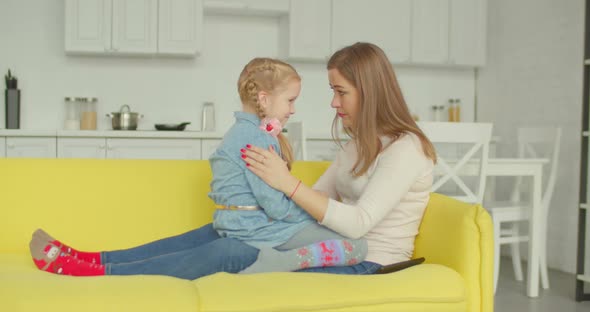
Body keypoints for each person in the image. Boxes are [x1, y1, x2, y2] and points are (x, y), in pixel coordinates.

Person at [28, 57, 367, 279]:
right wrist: (311, 214)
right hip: (266, 234)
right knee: (357, 246)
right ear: (264, 99)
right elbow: (275, 207)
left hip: (241, 226)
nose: (293, 109)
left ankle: (90, 260)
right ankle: (88, 266)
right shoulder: (258, 140)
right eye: (290, 100)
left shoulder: (242, 132)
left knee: (172, 247)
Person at [240, 42, 437, 275]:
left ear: (370, 92)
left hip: (375, 263)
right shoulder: (356, 145)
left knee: (253, 268)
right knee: (235, 247)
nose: (334, 102)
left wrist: (287, 183)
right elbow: (319, 196)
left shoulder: (406, 148)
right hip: (341, 253)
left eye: (341, 92)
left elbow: (358, 222)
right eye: (333, 91)